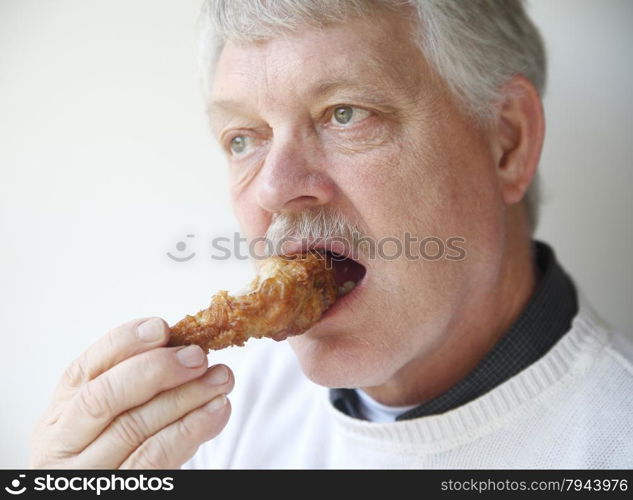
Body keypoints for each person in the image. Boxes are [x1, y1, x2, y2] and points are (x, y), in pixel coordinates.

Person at [30, 0, 632, 469]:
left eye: (344, 113)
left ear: (508, 142)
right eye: (244, 137)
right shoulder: (206, 422)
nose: (273, 189)